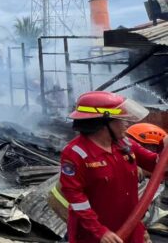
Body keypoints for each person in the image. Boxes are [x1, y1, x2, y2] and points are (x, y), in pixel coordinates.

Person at [60, 91, 168, 243]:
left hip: (131, 227)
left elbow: (158, 165)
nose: (127, 124)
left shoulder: (126, 144)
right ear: (103, 124)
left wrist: (165, 150)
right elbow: (76, 199)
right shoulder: (75, 154)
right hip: (96, 235)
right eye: (121, 120)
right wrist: (100, 231)